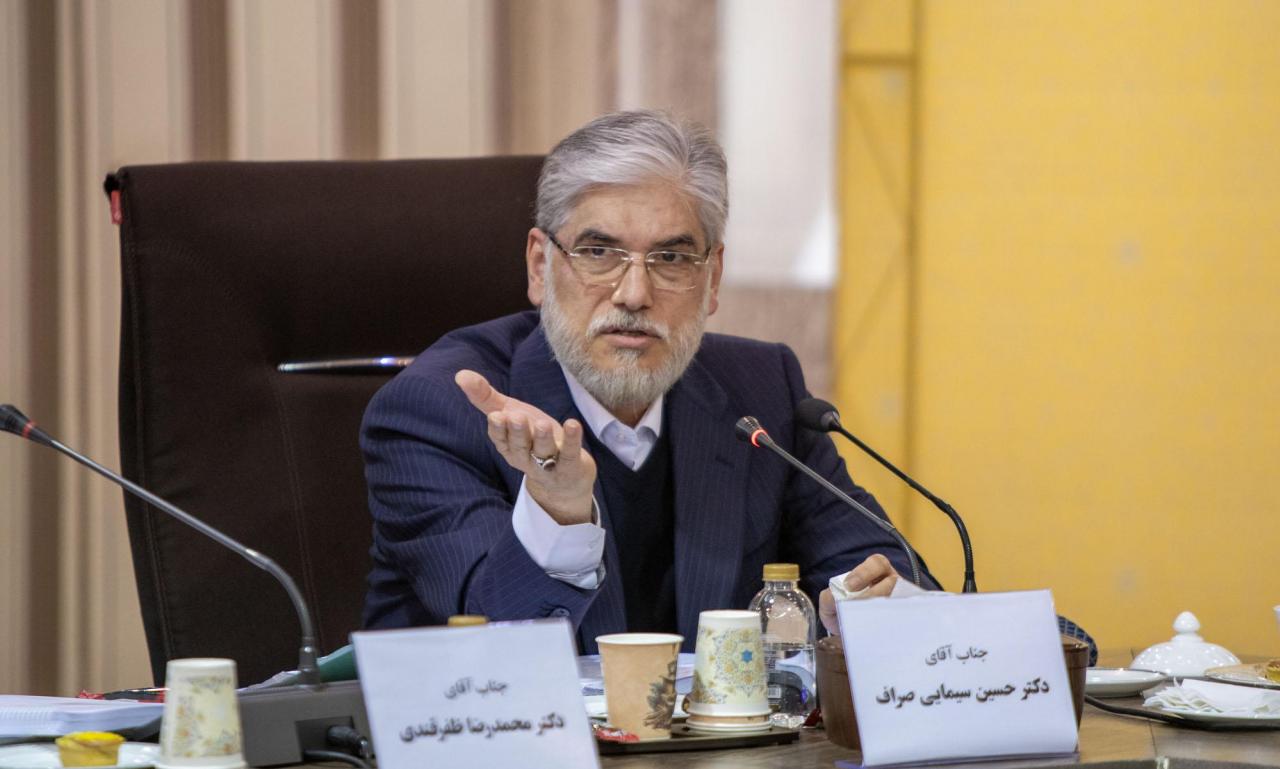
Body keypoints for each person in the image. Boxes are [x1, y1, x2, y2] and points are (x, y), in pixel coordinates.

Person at [360, 109, 938, 652]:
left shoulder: (762, 393)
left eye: (671, 259)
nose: (634, 294)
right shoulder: (438, 409)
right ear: (540, 266)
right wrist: (559, 513)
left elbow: (890, 583)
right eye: (598, 252)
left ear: (712, 278)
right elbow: (497, 640)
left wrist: (864, 608)